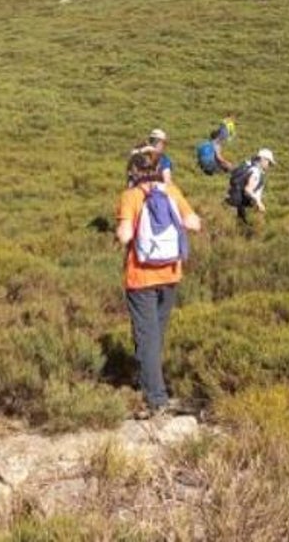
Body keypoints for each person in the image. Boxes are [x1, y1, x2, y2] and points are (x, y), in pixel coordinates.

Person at [115, 147, 201, 416]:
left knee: (148, 336)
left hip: (141, 277)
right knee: (155, 335)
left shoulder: (130, 196)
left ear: (133, 171)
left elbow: (124, 236)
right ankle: (147, 381)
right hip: (170, 273)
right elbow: (194, 223)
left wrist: (123, 225)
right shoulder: (171, 191)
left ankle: (156, 398)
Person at [228, 147, 275, 224]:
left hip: (232, 200)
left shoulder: (247, 165)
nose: (269, 166)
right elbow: (248, 189)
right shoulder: (256, 172)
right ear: (263, 159)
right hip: (240, 206)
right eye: (269, 162)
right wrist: (259, 203)